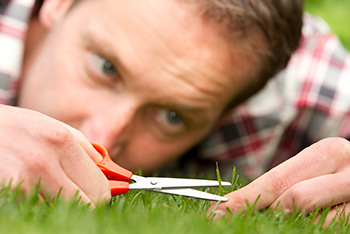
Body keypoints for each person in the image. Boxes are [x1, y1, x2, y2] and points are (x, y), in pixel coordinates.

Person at [1, 0, 346, 225]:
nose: (101, 138)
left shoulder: (294, 89)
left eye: (172, 117)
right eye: (106, 67)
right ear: (59, 4)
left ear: (226, 116)